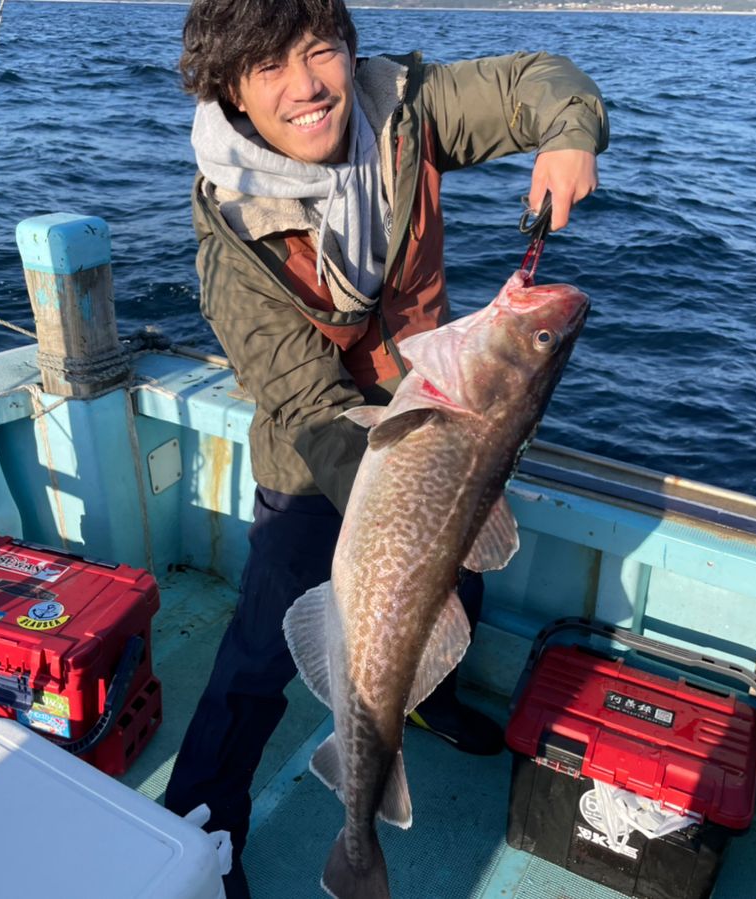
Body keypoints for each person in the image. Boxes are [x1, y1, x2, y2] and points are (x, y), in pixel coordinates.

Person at [162, 2, 608, 895]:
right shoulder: (232, 234)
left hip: (431, 434)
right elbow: (301, 396)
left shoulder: (407, 111)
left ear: (350, 53)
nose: (307, 86)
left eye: (320, 51)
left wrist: (569, 131)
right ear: (232, 94)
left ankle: (425, 697)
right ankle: (195, 831)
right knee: (259, 651)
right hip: (319, 447)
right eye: (269, 69)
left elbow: (535, 82)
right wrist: (387, 519)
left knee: (461, 588)